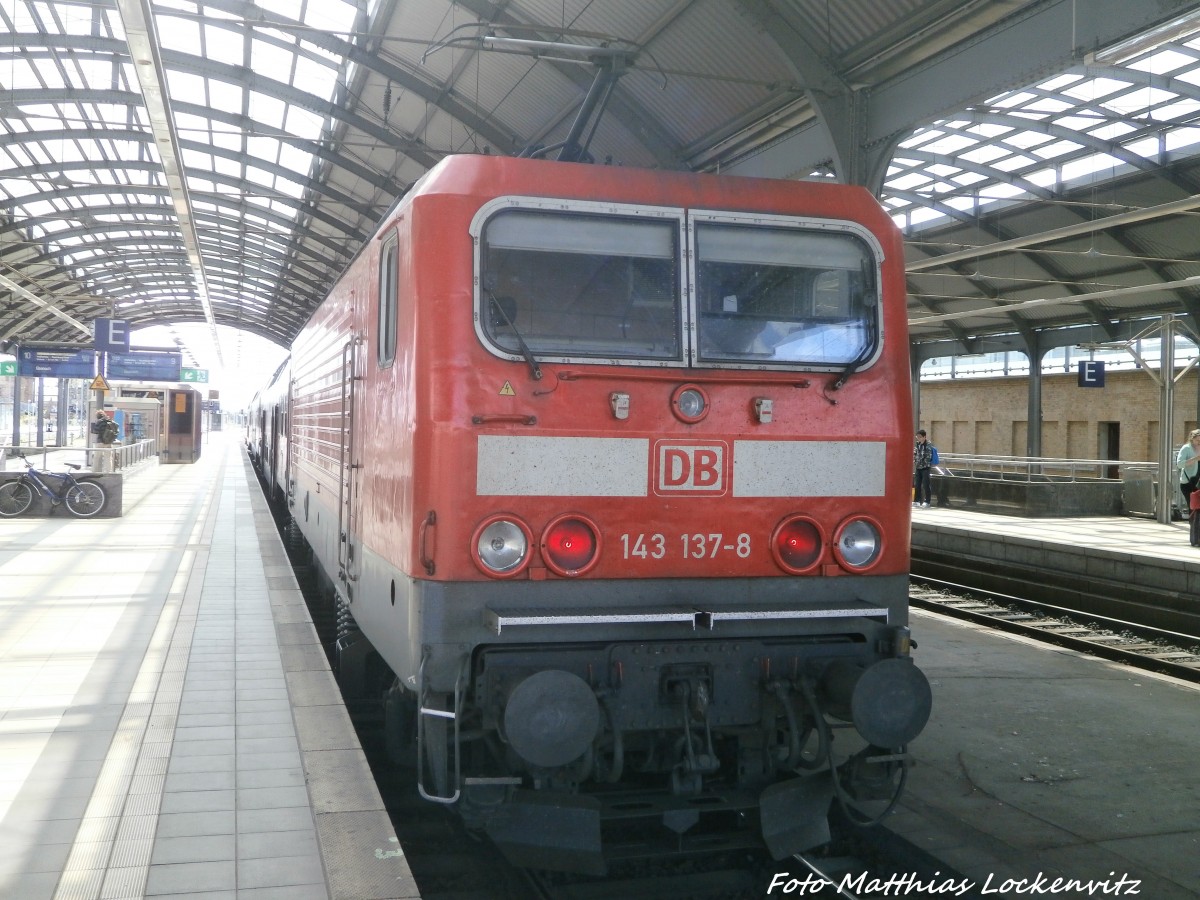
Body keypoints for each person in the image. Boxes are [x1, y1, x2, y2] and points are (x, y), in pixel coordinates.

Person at [1178, 428, 1200, 544]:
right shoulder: (1186, 448)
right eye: (1197, 441)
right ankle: (1194, 538)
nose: (1199, 443)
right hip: (1188, 484)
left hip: (1198, 483)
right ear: (1192, 439)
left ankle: (1197, 536)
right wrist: (1196, 458)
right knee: (1193, 509)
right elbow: (1179, 464)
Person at [913, 428, 934, 508]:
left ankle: (927, 501)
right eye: (917, 437)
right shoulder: (917, 444)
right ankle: (916, 501)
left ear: (924, 437)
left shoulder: (928, 445)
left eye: (920, 437)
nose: (918, 438)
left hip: (925, 467)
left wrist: (921, 463)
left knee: (926, 484)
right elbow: (915, 454)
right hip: (918, 467)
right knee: (917, 484)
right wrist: (915, 461)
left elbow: (928, 457)